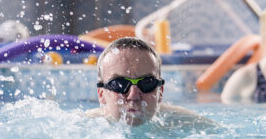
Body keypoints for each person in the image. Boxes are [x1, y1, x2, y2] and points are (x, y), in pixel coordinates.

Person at [86, 37, 216, 129]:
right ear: (102, 95)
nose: (133, 95)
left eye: (147, 82)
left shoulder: (188, 123)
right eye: (119, 83)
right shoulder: (86, 126)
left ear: (160, 92)